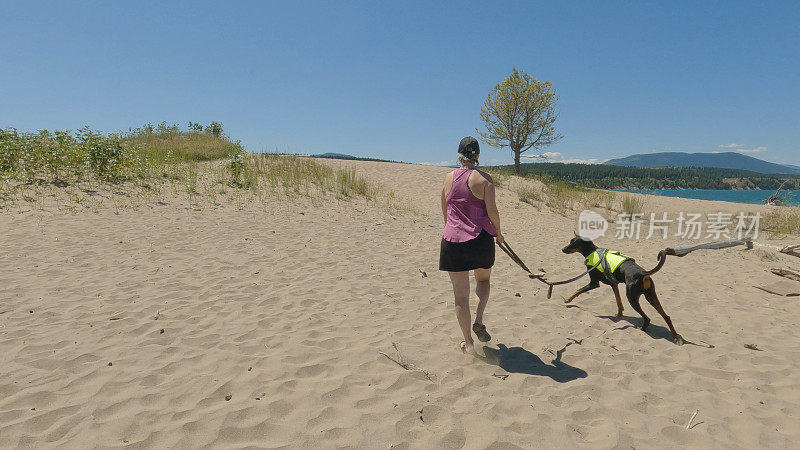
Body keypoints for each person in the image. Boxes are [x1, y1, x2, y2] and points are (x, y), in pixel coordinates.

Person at [439, 136, 504, 354]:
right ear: (477, 155)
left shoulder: (448, 178)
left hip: (451, 242)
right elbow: (492, 211)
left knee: (460, 296)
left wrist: (453, 228)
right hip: (480, 239)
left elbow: (445, 212)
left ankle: (468, 343)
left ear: (459, 154)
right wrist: (500, 234)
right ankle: (479, 318)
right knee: (483, 280)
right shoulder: (484, 179)